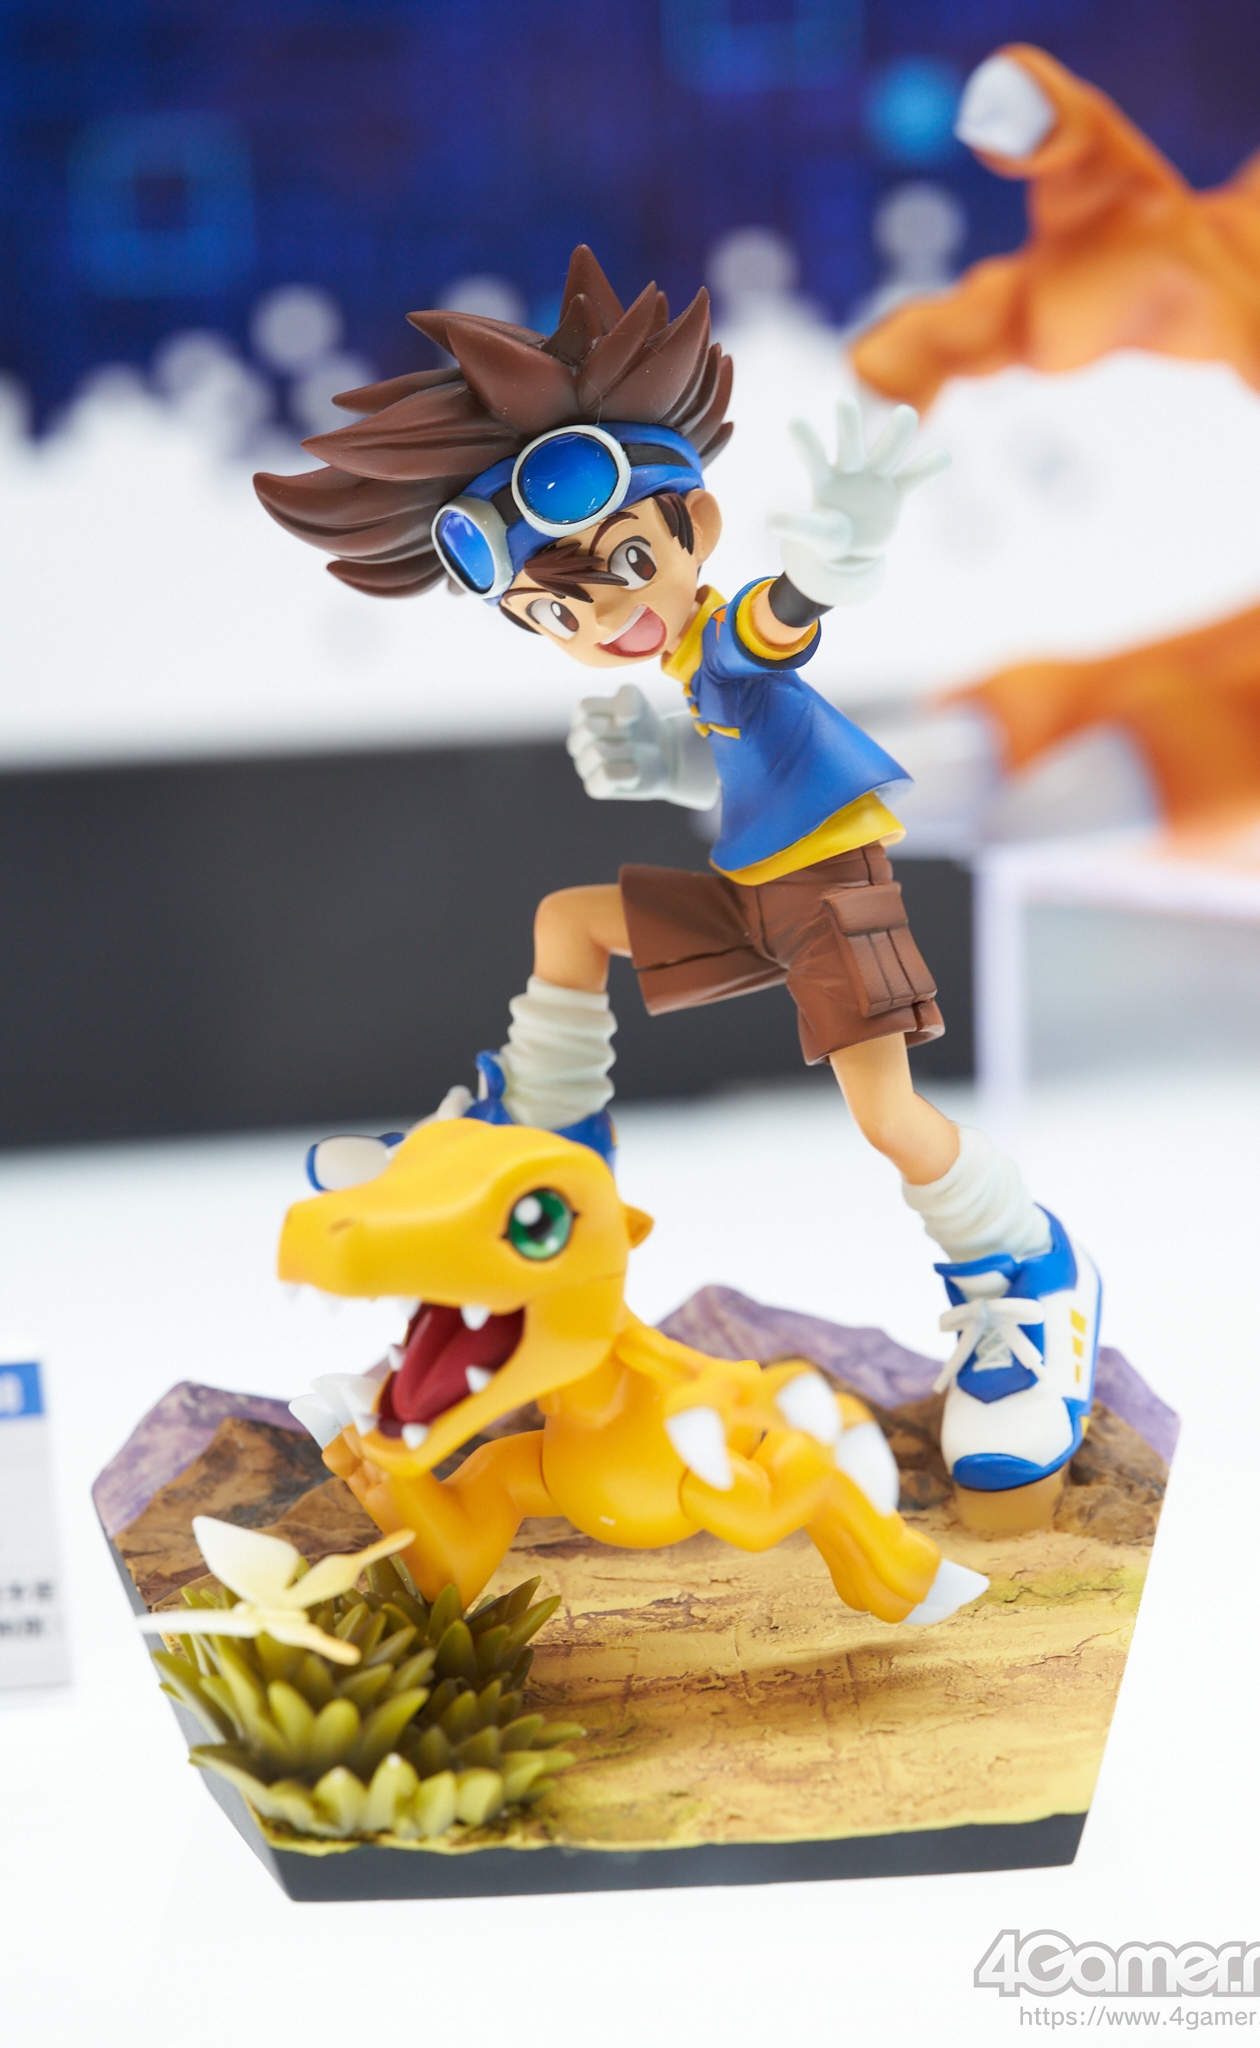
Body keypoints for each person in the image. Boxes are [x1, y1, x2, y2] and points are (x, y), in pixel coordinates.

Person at [255, 246, 1100, 1525]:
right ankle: (534, 1149)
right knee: (571, 924)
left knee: (888, 1117)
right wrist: (661, 762)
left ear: (694, 527)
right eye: (556, 615)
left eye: (617, 569)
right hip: (757, 890)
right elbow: (736, 746)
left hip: (830, 892)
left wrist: (835, 558)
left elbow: (780, 625)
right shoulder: (684, 667)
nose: (602, 616)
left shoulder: (730, 632)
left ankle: (1025, 1275)